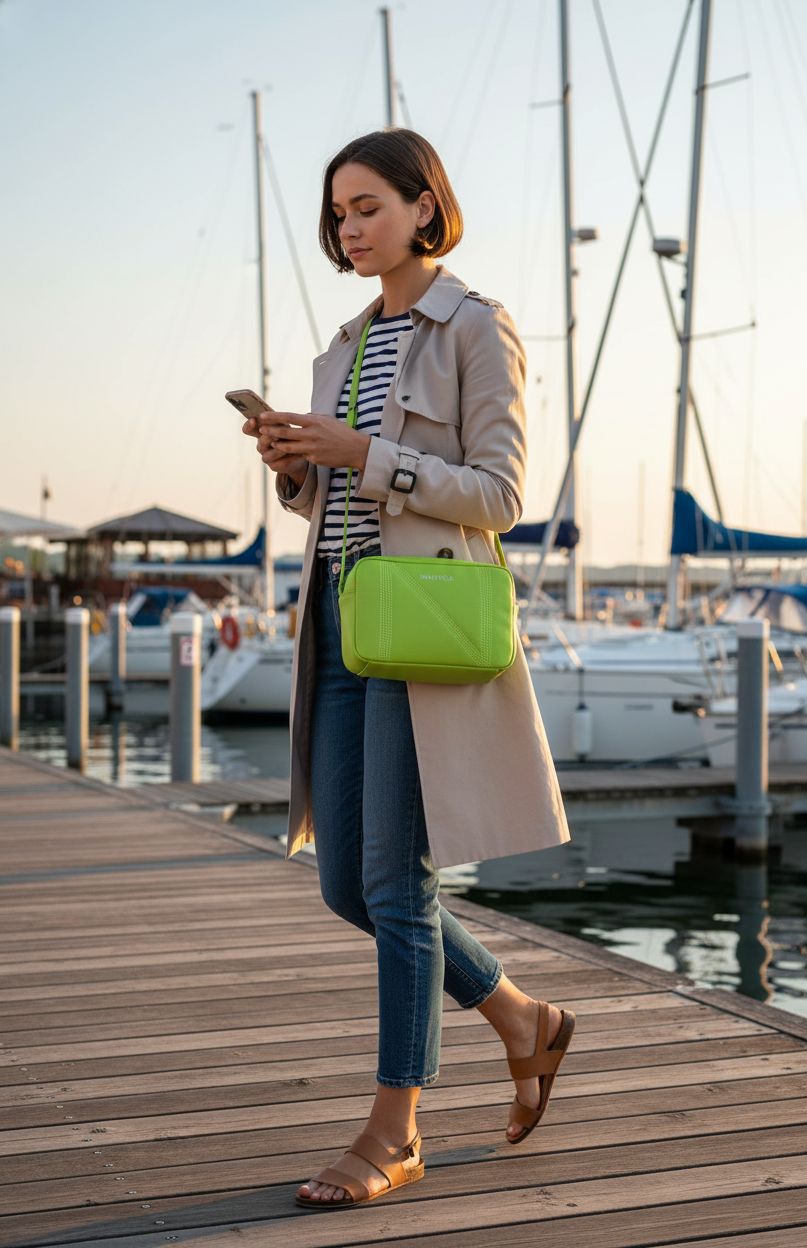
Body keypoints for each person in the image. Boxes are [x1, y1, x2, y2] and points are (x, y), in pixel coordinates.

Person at [241, 128, 574, 1211]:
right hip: (339, 621)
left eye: (368, 205)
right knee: (349, 883)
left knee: (399, 883)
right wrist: (299, 467)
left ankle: (396, 1130)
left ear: (425, 207)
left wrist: (365, 457)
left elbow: (498, 495)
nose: (349, 227)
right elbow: (336, 502)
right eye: (337, 212)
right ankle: (522, 1018)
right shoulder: (338, 348)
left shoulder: (476, 326)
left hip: (422, 628)